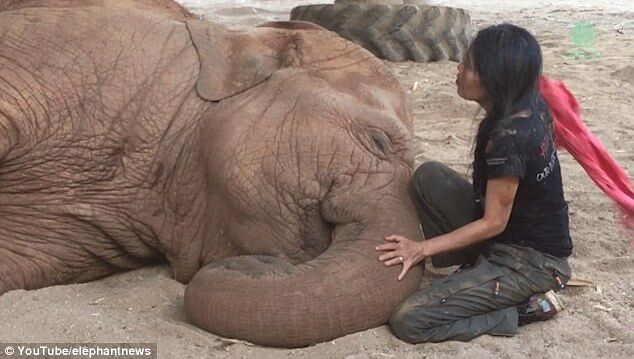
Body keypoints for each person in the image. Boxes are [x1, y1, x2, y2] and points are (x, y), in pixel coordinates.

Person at [375, 24, 573, 343]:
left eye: (468, 65)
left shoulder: (509, 138)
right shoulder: (529, 104)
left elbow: (494, 222)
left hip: (531, 262)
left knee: (409, 320)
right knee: (430, 177)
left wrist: (421, 248)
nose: (459, 69)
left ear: (493, 78)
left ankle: (526, 309)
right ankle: (471, 269)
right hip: (512, 232)